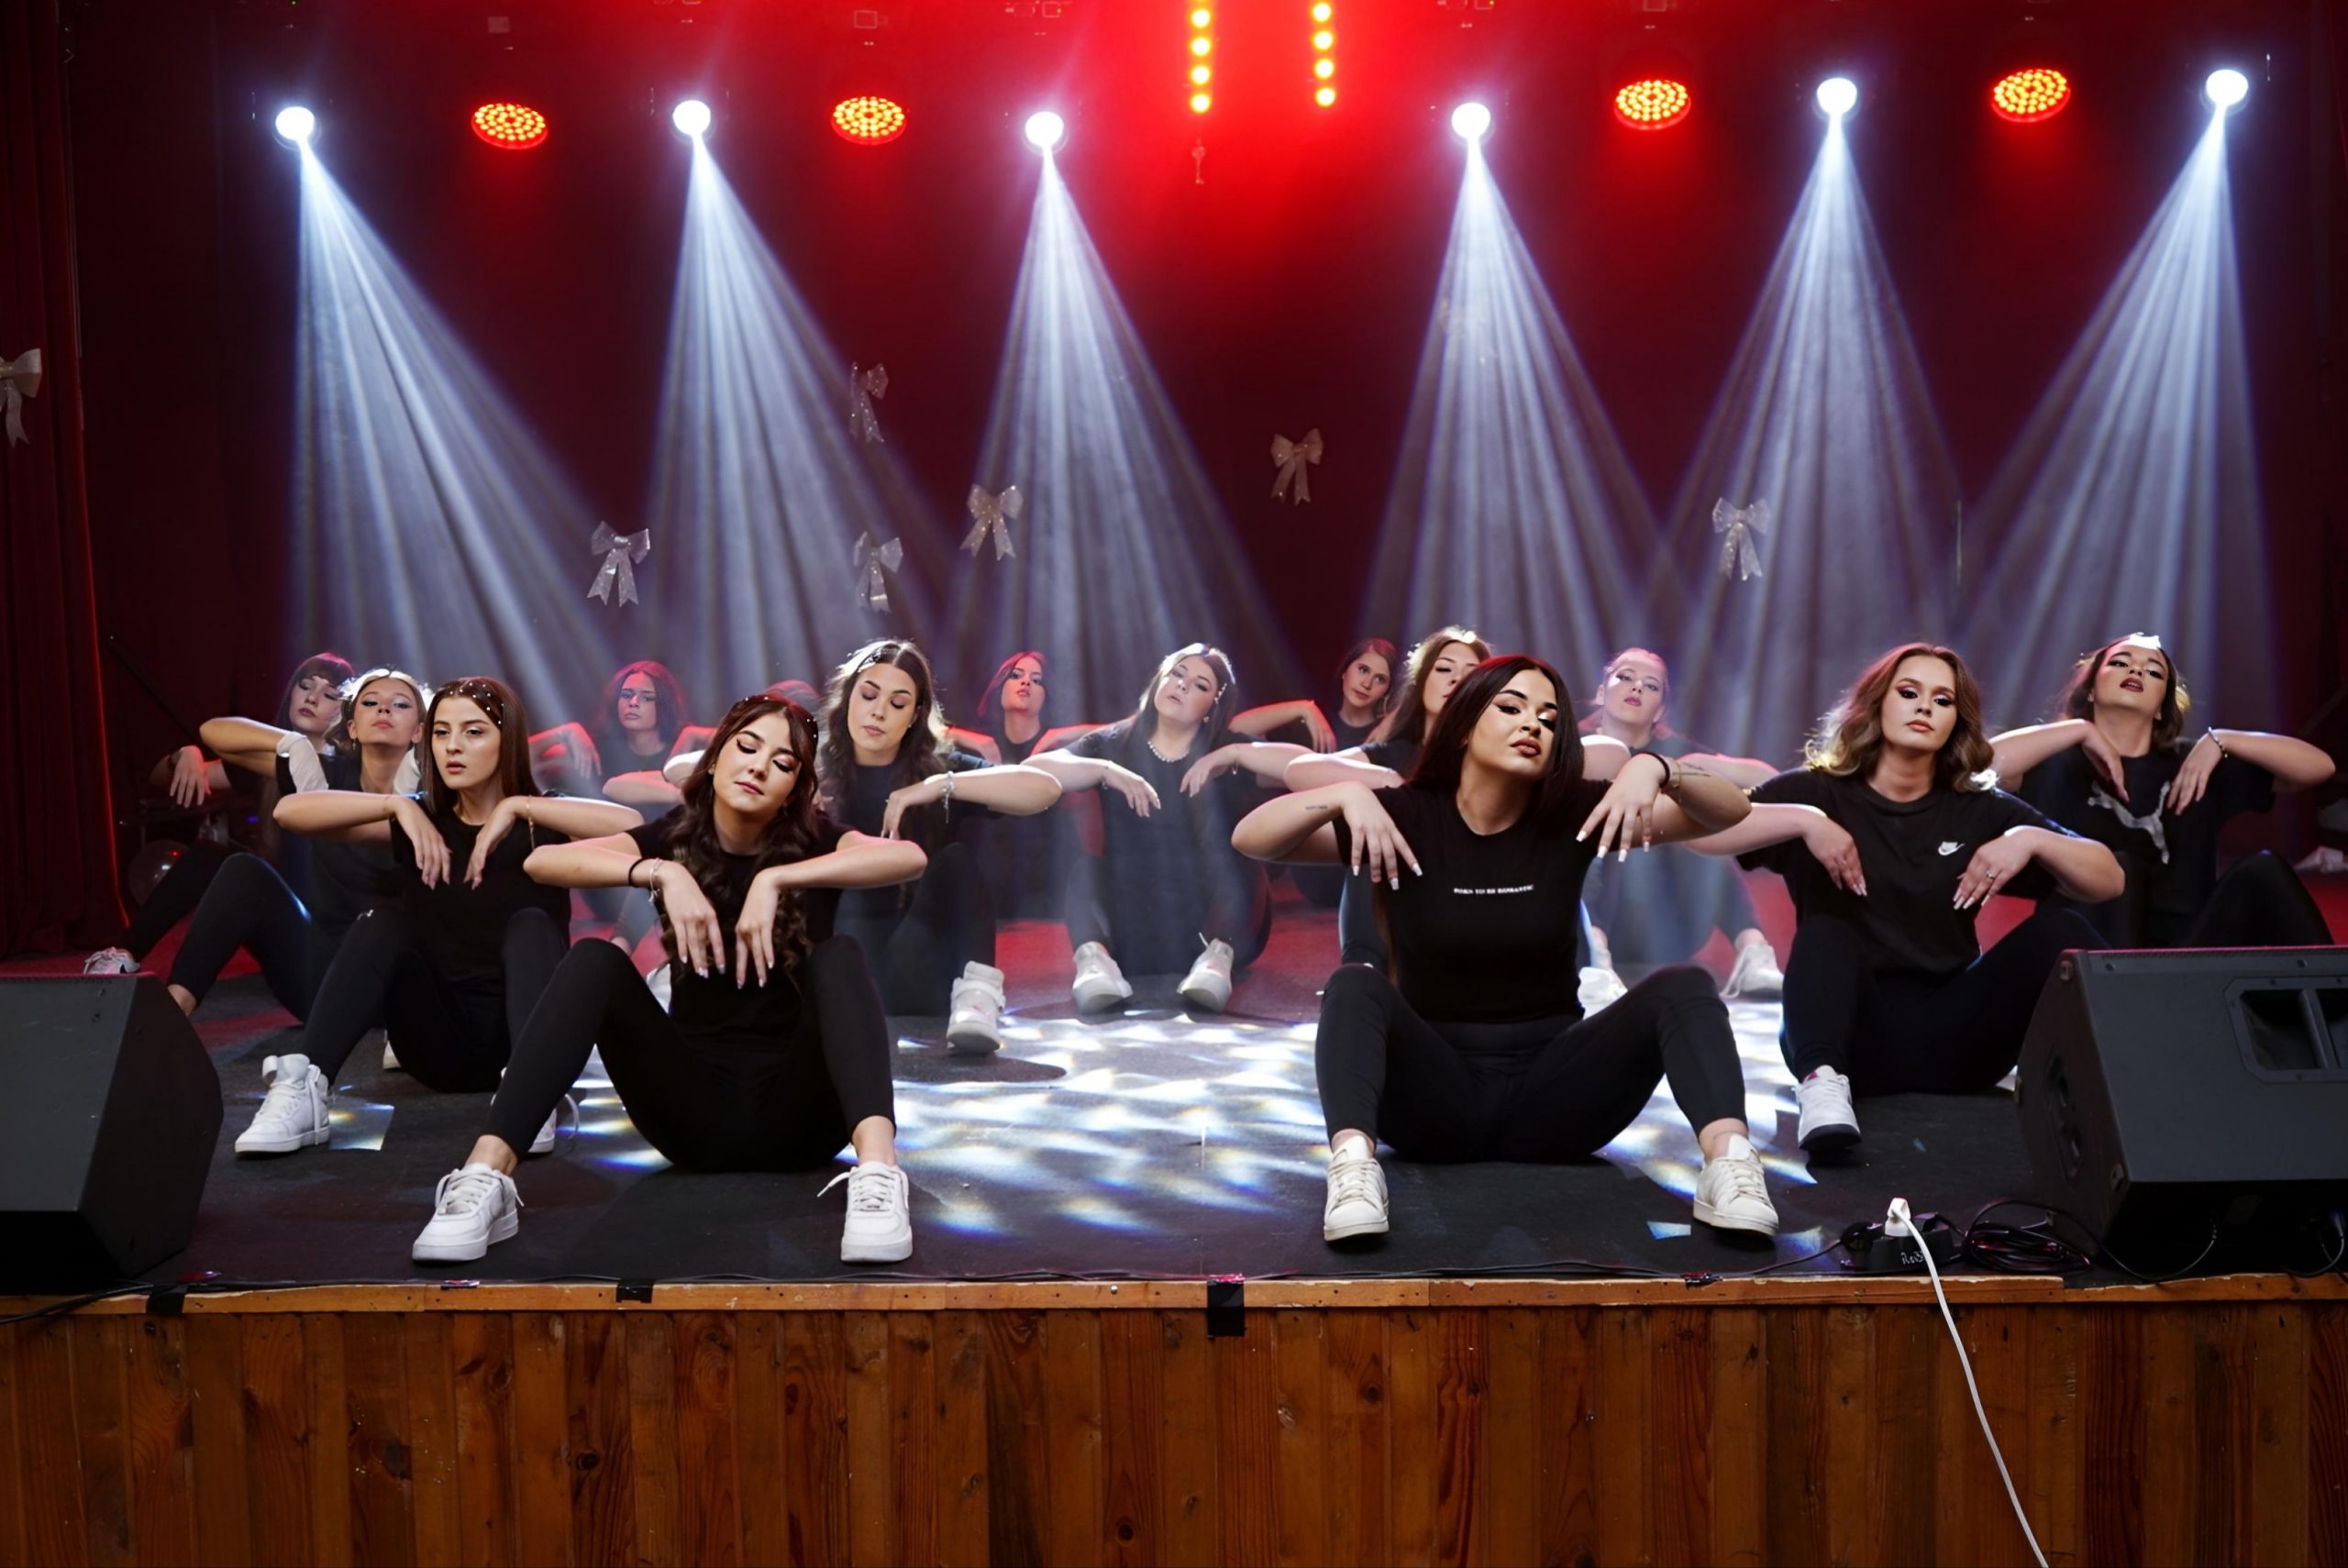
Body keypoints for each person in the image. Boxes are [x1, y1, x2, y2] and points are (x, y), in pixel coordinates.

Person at [1230, 654, 1779, 1243]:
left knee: (1684, 987)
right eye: (1512, 708)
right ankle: (1353, 1171)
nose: (1533, 725)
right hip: (1432, 1102)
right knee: (1353, 983)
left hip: (1557, 1099)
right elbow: (1252, 837)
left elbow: (1731, 810)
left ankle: (1730, 1166)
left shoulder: (1574, 814)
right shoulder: (1407, 814)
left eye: (1549, 719)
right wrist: (1343, 796)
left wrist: (1657, 768)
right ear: (1465, 725)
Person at [406, 694, 927, 1266]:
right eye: (747, 747)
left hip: (802, 1119)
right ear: (715, 757)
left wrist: (777, 879)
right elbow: (542, 864)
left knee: (840, 956)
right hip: (691, 1115)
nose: (758, 767)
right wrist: (661, 872)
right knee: (595, 960)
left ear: (795, 790)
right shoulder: (671, 838)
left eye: (782, 763)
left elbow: (907, 857)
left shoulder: (819, 841)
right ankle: (485, 1174)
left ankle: (879, 1173)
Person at [1689, 644, 2123, 1154]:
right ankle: (1822, 1090)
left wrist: (2030, 839)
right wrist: (1806, 821)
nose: (1924, 707)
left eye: (1942, 700)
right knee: (1827, 929)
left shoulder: (1979, 808)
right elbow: (1702, 834)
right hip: (1848, 1044)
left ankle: (2129, 1084)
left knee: (2061, 929)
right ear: (1877, 704)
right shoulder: (1818, 792)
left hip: (1957, 1044)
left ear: (1956, 722)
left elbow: (2109, 880)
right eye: (1909, 692)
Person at [236, 678, 642, 1155]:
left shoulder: (543, 820)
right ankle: (307, 1084)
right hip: (436, 1048)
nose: (453, 747)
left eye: (473, 732)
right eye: (442, 732)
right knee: (382, 920)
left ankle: (530, 1099)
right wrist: (396, 805)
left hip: (526, 1047)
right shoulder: (420, 819)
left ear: (507, 741)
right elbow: (290, 812)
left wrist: (518, 806)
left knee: (531, 922)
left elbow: (634, 826)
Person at [1990, 633, 2335, 946]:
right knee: (2118, 867)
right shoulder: (2058, 763)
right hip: (2092, 957)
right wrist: (2078, 730)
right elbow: (1983, 767)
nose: (2137, 671)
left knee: (2263, 871)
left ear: (2161, 707)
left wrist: (2224, 740)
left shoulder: (2195, 762)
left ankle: (2332, 992)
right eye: (2120, 663)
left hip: (2187, 954)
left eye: (2154, 671)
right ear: (2091, 690)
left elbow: (2320, 768)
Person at [814, 640, 1060, 1051]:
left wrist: (936, 787)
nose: (878, 712)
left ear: (915, 715)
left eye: (898, 703)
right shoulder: (808, 767)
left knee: (955, 861)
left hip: (916, 970)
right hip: (837, 970)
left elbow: (1044, 789)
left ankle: (978, 1000)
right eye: (869, 695)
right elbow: (704, 773)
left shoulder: (938, 768)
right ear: (849, 696)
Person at [145, 668, 426, 1025]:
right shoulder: (323, 774)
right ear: (352, 726)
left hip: (397, 988)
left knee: (386, 924)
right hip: (321, 977)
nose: (384, 709)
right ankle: (171, 1016)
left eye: (400, 704)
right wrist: (292, 743)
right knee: (244, 871)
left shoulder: (432, 791)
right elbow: (213, 731)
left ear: (419, 731)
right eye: (371, 703)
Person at [1027, 643, 1275, 1014]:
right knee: (1084, 870)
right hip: (1132, 928)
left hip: (1206, 922)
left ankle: (1216, 962)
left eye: (1200, 685)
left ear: (1213, 707)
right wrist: (1103, 770)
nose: (1182, 685)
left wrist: (1234, 754)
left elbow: (1300, 765)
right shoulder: (1113, 743)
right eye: (1177, 674)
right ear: (1161, 678)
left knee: (1244, 861)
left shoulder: (1226, 747)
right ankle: (1095, 962)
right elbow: (1034, 770)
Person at [85, 651, 364, 976]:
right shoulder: (270, 764)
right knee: (209, 856)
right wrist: (185, 755)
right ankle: (125, 955)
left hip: (330, 935)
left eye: (329, 694)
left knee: (246, 867)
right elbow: (162, 777)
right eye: (305, 686)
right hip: (281, 919)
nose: (312, 698)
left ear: (344, 712)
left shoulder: (350, 768)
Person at [1578, 646, 1788, 999]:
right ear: (1601, 692)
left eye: (1651, 685)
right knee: (1598, 826)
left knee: (1694, 817)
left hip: (1673, 921)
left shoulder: (1675, 753)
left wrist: (1700, 767)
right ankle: (1595, 959)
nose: (1636, 687)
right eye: (1625, 677)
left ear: (1660, 710)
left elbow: (1770, 780)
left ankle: (1753, 952)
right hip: (1593, 915)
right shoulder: (1573, 746)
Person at [1286, 627, 1493, 967]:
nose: (1456, 679)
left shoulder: (1498, 759)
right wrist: (1383, 783)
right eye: (1444, 669)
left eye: (1470, 675)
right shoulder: (1396, 754)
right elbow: (1300, 771)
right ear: (1421, 683)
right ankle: (1362, 970)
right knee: (1375, 824)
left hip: (1474, 909)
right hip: (1401, 908)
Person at [954, 652, 1097, 921]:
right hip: (991, 877)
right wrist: (970, 739)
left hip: (1048, 877)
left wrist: (1061, 733)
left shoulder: (1057, 745)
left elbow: (1123, 729)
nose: (1026, 682)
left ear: (1045, 696)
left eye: (1037, 680)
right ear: (1000, 688)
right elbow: (922, 729)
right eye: (1016, 676)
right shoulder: (983, 742)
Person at [1283, 639, 1401, 909]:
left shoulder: (1390, 738)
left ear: (1387, 690)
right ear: (1345, 670)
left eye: (1380, 679)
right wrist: (1303, 708)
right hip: (1316, 869)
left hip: (1369, 864)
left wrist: (1394, 717)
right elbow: (1237, 729)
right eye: (1363, 670)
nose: (1367, 683)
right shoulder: (1316, 727)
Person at [531, 660, 695, 800]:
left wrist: (692, 734)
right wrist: (566, 732)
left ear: (665, 704)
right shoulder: (598, 750)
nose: (633, 702)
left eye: (646, 697)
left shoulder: (684, 751)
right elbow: (521, 759)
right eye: (626, 695)